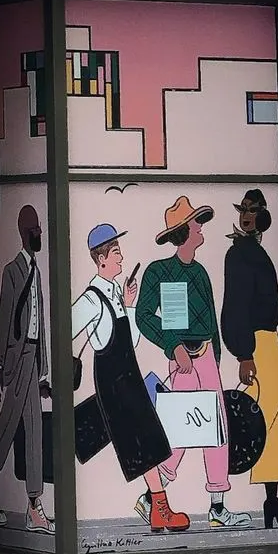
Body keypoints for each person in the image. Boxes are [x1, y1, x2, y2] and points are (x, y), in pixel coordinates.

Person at [136, 197, 251, 530]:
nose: (201, 228)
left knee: (217, 431)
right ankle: (151, 498)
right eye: (197, 223)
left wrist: (214, 359)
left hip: (206, 359)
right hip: (183, 360)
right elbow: (144, 316)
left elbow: (211, 320)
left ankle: (217, 506)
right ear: (185, 231)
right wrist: (172, 346)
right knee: (180, 430)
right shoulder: (159, 271)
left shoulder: (199, 272)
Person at [72, 224, 187, 533]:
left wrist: (130, 304)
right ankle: (159, 507)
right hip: (113, 380)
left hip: (128, 375)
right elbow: (64, 330)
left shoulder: (114, 294)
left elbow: (132, 340)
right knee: (139, 437)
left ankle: (159, 508)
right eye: (116, 253)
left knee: (147, 436)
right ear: (101, 260)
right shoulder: (92, 299)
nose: (122, 259)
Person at [221, 189, 278, 529]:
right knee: (261, 418)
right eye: (244, 209)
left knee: (276, 423)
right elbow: (234, 304)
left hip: (269, 340)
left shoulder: (254, 251)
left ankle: (272, 501)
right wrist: (243, 352)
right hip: (257, 343)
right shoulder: (239, 254)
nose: (247, 214)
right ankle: (265, 501)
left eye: (253, 209)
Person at [0, 203, 50, 533]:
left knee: (33, 428)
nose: (39, 234)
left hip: (33, 356)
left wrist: (44, 372)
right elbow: (3, 318)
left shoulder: (36, 269)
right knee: (10, 423)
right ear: (25, 233)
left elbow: (42, 324)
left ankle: (33, 504)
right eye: (35, 229)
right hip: (17, 356)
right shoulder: (13, 270)